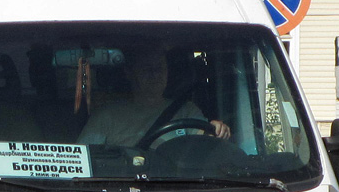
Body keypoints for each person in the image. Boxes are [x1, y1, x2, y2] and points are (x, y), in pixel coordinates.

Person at [77, 46, 230, 147]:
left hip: (176, 187)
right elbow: (83, 160)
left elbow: (206, 146)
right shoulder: (106, 116)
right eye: (147, 68)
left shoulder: (187, 110)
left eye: (160, 68)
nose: (155, 74)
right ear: (129, 72)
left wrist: (216, 131)